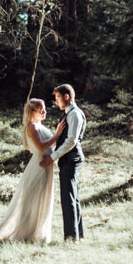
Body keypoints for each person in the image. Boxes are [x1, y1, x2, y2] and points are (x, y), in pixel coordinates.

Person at [0, 98, 56, 247]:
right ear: (32, 112)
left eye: (44, 109)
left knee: (41, 198)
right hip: (39, 165)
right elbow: (42, 147)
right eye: (41, 110)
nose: (44, 112)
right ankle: (26, 232)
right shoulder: (32, 127)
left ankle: (35, 232)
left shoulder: (39, 125)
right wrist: (58, 134)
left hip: (47, 165)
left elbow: (50, 145)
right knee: (34, 199)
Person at [40, 83, 85, 240]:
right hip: (69, 158)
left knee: (68, 198)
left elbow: (71, 140)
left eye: (58, 97)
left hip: (71, 158)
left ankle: (71, 237)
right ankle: (77, 235)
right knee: (72, 196)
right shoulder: (68, 113)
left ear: (67, 96)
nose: (56, 101)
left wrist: (52, 157)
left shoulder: (74, 115)